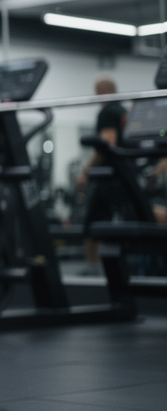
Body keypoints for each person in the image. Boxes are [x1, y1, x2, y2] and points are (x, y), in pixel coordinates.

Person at [76, 74, 130, 272]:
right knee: (133, 216)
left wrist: (85, 172)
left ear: (103, 91)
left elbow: (107, 143)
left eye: (97, 92)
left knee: (91, 224)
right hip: (125, 176)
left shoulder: (108, 112)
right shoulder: (124, 111)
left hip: (108, 177)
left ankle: (92, 270)